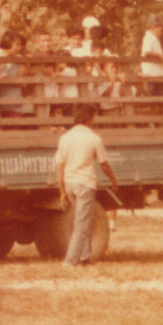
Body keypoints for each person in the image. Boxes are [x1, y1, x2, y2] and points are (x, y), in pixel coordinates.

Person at [54, 104, 120, 269]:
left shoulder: (64, 138)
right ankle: (70, 261)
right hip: (85, 183)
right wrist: (113, 179)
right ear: (90, 119)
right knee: (81, 224)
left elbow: (60, 166)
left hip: (70, 184)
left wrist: (62, 191)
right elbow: (104, 164)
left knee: (85, 220)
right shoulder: (94, 139)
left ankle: (85, 256)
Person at [139, 16, 163, 98]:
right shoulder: (149, 37)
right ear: (153, 27)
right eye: (161, 29)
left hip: (157, 74)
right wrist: (159, 55)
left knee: (159, 98)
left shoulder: (154, 38)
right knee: (152, 97)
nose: (162, 32)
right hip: (151, 74)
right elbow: (147, 51)